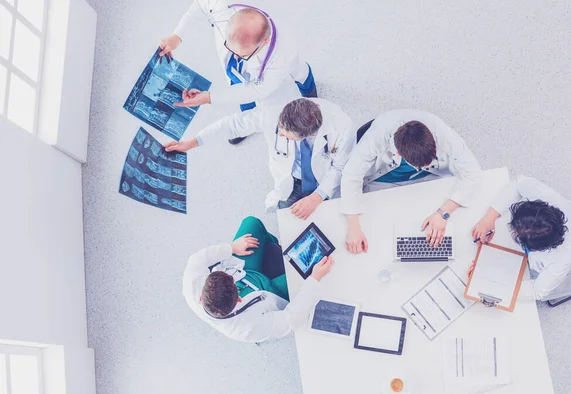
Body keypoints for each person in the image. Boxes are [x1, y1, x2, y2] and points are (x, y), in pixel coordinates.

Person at [160, 0, 318, 145]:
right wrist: (177, 35)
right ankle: (244, 124)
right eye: (230, 48)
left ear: (265, 42)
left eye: (242, 55)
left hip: (287, 63)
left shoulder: (282, 55)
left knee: (300, 73)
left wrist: (209, 98)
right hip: (244, 56)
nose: (235, 56)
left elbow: (258, 91)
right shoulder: (221, 6)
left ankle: (309, 89)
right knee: (237, 82)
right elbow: (199, 4)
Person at [166, 98, 355, 218]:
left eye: (286, 137)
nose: (279, 135)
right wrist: (191, 143)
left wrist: (317, 197)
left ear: (310, 136)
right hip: (291, 181)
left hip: (323, 182)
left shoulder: (341, 126)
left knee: (330, 224)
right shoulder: (274, 113)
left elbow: (339, 168)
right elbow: (231, 125)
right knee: (293, 224)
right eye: (279, 131)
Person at [340, 110, 482, 254]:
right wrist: (353, 227)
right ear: (398, 154)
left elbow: (473, 173)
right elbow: (351, 175)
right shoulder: (378, 135)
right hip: (384, 181)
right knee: (380, 235)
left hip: (427, 178)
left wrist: (443, 213)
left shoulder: (442, 133)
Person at [182, 216, 335, 342]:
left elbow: (198, 259)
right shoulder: (247, 328)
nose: (232, 277)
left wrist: (232, 248)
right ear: (239, 300)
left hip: (246, 271)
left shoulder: (191, 285)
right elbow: (290, 319)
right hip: (269, 291)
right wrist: (314, 279)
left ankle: (275, 247)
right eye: (233, 280)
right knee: (311, 269)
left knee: (252, 223)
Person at [471, 175, 571, 302]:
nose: (512, 232)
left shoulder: (564, 257)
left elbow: (537, 291)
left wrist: (487, 285)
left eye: (517, 234)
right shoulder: (549, 200)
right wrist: (489, 218)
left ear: (539, 248)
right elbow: (518, 184)